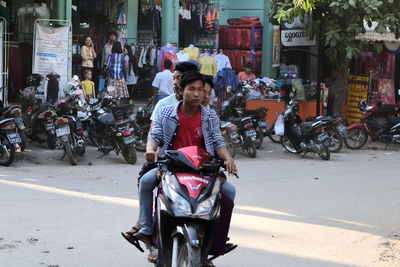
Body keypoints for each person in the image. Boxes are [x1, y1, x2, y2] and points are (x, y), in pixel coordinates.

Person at [127, 71, 237, 263]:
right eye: (192, 89)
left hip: (203, 169)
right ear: (181, 90)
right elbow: (155, 136)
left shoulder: (210, 115)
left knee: (228, 194)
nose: (197, 94)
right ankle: (146, 229)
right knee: (146, 181)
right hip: (171, 167)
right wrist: (151, 150)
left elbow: (218, 141)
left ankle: (215, 244)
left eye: (201, 90)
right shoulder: (166, 112)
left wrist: (227, 158)